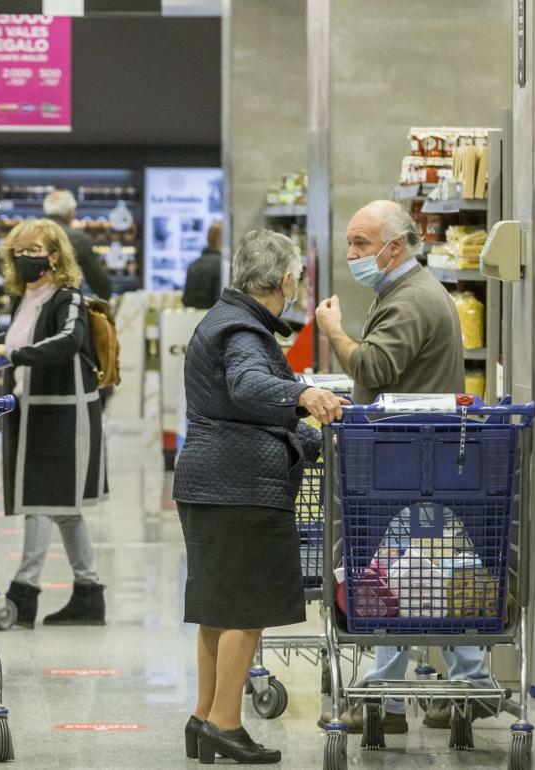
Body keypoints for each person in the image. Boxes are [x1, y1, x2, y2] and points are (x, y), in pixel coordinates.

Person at [314, 199, 494, 734]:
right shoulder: (403, 291)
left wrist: (333, 331)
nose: (352, 254)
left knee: (405, 569)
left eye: (361, 244)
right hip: (414, 455)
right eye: (350, 243)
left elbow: (375, 365)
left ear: (395, 247)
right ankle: (428, 689)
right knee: (409, 570)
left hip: (414, 459)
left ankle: (403, 692)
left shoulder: (410, 299)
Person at [174, 229, 347, 765]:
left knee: (216, 608)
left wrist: (305, 434)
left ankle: (204, 720)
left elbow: (240, 404)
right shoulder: (246, 331)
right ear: (286, 280)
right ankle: (227, 724)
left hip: (209, 481)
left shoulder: (222, 320)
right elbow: (250, 388)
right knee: (245, 611)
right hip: (241, 486)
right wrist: (304, 394)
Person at [0, 218, 108, 629]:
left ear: (55, 255)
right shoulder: (23, 297)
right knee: (64, 507)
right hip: (33, 408)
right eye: (19, 252)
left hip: (63, 411)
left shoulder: (67, 296)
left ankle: (22, 598)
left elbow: (69, 342)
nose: (26, 259)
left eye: (34, 251)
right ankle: (89, 595)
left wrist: (15, 354)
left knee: (41, 502)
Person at [43, 189, 112, 300]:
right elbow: (99, 281)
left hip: (27, 306)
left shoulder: (26, 234)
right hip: (63, 306)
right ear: (69, 213)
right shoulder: (77, 239)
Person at [182, 220, 223, 309]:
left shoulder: (194, 264)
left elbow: (186, 300)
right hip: (214, 319)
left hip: (192, 320)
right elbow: (220, 301)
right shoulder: (222, 266)